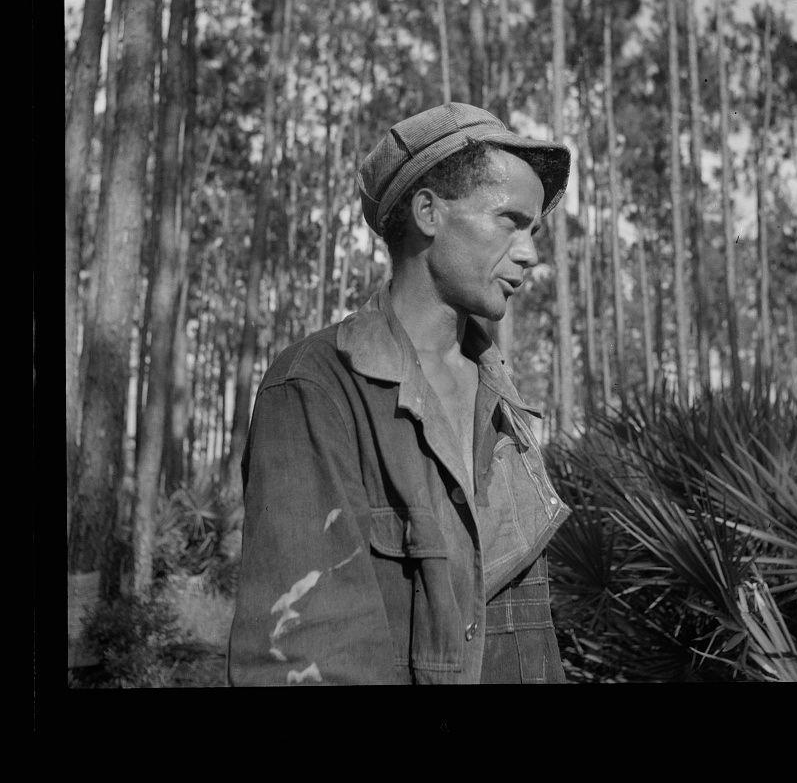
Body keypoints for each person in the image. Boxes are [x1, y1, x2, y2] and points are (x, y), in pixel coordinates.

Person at [227, 101, 573, 685]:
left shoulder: (505, 405)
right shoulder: (315, 387)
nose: (531, 253)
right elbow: (303, 661)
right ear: (428, 212)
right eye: (509, 221)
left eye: (533, 230)